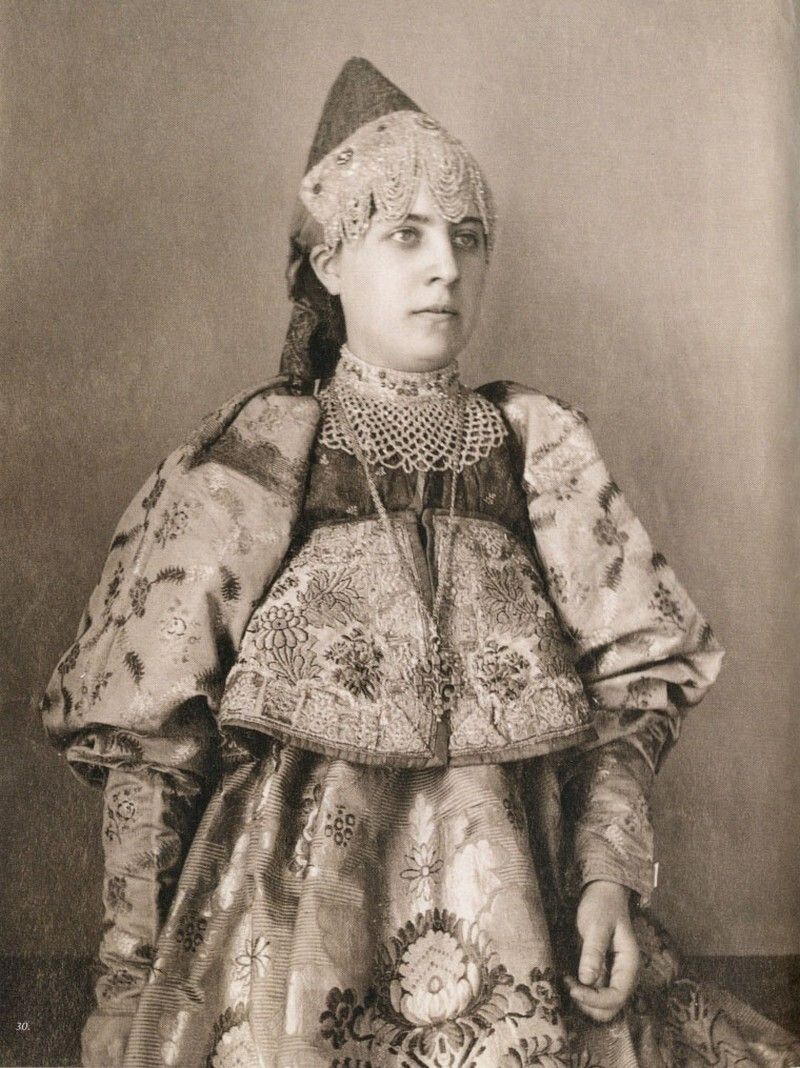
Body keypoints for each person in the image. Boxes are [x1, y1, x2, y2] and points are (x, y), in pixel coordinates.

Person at [41, 58, 800, 1068]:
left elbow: (630, 695)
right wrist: (128, 979)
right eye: (405, 234)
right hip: (287, 951)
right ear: (327, 263)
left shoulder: (537, 444)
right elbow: (150, 734)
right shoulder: (263, 451)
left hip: (528, 926)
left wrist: (607, 881)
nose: (445, 266)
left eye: (468, 237)